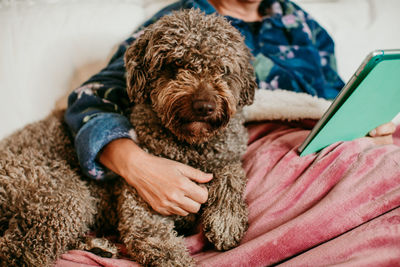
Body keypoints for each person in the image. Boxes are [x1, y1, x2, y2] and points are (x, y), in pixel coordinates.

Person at [64, 0, 396, 217]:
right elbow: (91, 97)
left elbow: (337, 98)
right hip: (252, 153)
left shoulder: (304, 26)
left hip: (325, 142)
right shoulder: (179, 21)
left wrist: (370, 121)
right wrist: (136, 164)